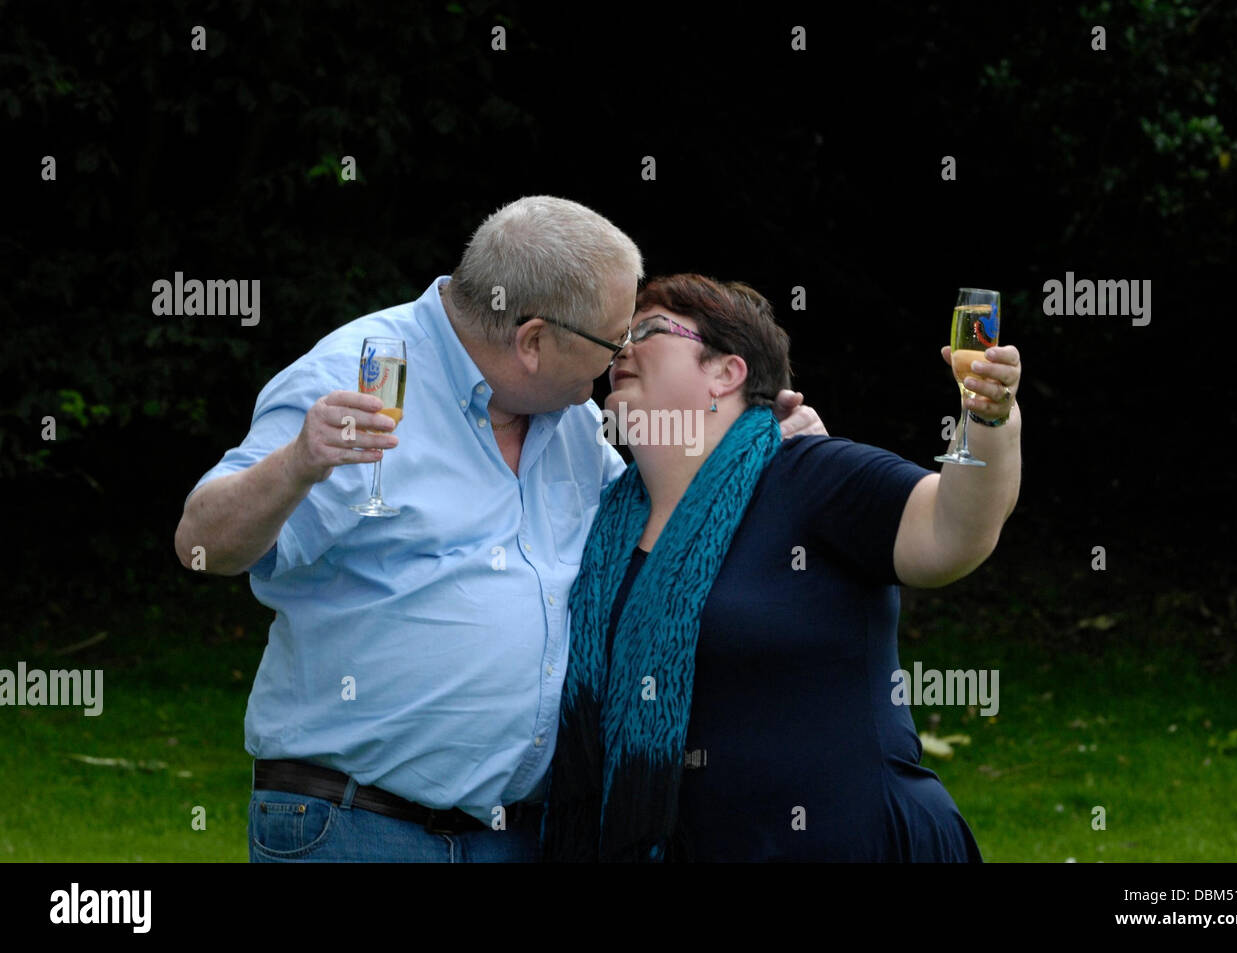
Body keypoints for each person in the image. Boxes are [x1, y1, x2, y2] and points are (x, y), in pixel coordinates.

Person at [172, 197, 824, 862]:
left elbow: (661, 522)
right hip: (359, 825)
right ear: (533, 340)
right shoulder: (360, 375)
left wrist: (762, 443)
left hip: (521, 836)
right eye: (612, 341)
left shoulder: (568, 419)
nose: (619, 360)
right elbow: (201, 544)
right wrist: (296, 463)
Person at [541, 273, 1022, 862]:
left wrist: (990, 418)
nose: (624, 349)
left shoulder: (810, 474)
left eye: (648, 330)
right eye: (620, 336)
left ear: (727, 371)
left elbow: (956, 533)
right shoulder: (605, 522)